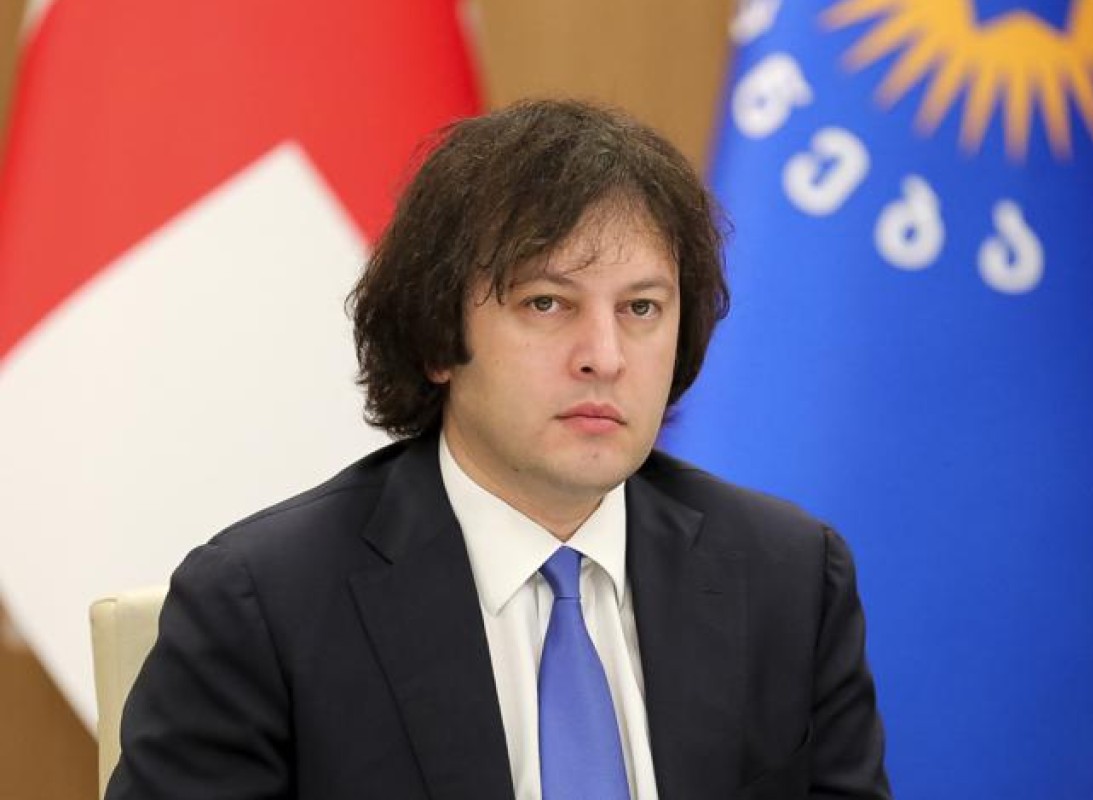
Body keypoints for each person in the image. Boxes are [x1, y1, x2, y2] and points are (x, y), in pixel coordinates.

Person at [106, 99, 891, 800]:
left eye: (642, 308)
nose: (605, 356)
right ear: (437, 339)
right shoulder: (262, 606)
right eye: (547, 303)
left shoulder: (789, 577)